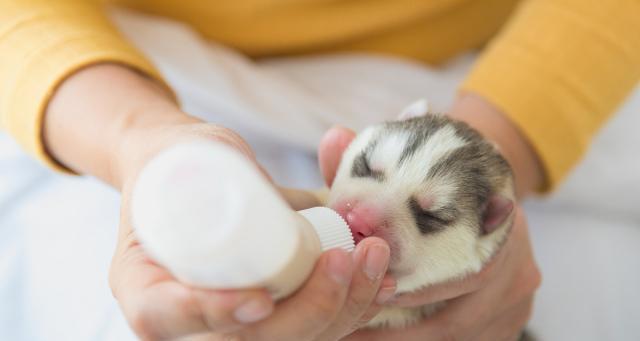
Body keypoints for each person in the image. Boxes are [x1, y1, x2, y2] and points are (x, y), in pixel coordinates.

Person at [1, 0, 638, 340]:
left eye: (429, 213)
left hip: (507, 70)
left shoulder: (491, 207)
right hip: (132, 73)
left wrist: (509, 145)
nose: (361, 214)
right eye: (368, 171)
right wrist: (136, 142)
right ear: (357, 146)